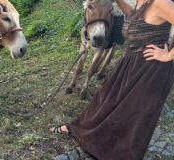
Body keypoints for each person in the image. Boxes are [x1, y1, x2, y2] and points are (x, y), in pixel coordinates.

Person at [50, 0, 174, 159]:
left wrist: (167, 55)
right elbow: (133, 15)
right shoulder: (140, 3)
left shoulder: (160, 2)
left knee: (133, 114)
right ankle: (79, 128)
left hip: (151, 70)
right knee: (106, 98)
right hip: (131, 62)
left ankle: (120, 153)